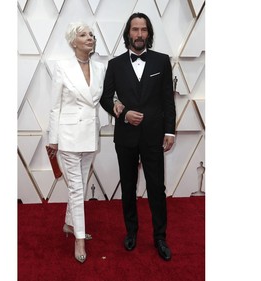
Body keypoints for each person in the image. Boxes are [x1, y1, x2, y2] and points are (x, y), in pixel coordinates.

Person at [100, 13, 176, 261]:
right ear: (128, 34)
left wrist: (169, 130)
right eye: (135, 30)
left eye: (143, 30)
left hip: (154, 136)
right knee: (129, 187)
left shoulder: (162, 61)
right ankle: (131, 232)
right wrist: (121, 113)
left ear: (149, 34)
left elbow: (167, 99)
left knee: (157, 188)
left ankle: (160, 238)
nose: (139, 34)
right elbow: (105, 98)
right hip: (126, 137)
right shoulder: (115, 64)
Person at [47, 22, 109, 263]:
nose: (90, 38)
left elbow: (102, 98)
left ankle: (69, 224)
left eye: (91, 34)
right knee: (76, 187)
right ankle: (80, 239)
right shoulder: (62, 67)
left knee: (80, 184)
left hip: (90, 134)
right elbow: (55, 106)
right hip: (69, 135)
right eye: (83, 35)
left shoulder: (100, 68)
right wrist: (53, 139)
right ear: (73, 41)